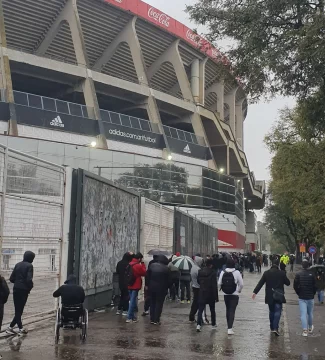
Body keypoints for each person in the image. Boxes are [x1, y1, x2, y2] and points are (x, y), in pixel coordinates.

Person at [252, 259, 290, 336]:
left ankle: (272, 327)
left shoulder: (266, 273)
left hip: (269, 295)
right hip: (279, 295)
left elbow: (260, 283)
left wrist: (255, 292)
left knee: (271, 311)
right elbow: (288, 283)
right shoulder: (281, 273)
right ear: (278, 265)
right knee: (278, 311)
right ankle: (275, 328)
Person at [6, 251, 35, 335]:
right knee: (19, 310)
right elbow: (29, 280)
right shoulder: (29, 266)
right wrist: (30, 286)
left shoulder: (18, 264)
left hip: (16, 289)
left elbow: (11, 278)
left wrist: (18, 282)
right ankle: (21, 329)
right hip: (23, 290)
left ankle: (10, 327)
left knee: (18, 310)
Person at [218, 258, 244, 335]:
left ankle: (228, 326)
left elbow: (219, 283)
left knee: (227, 309)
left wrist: (221, 289)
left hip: (226, 294)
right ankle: (230, 328)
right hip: (234, 294)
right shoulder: (237, 272)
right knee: (232, 310)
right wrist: (239, 290)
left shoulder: (223, 272)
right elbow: (241, 284)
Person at [294, 259, 317, 336]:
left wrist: (299, 293)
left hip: (302, 297)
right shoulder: (312, 274)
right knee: (310, 313)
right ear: (308, 265)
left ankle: (304, 331)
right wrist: (313, 293)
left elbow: (295, 286)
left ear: (302, 265)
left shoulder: (298, 274)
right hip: (310, 297)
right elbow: (315, 286)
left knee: (303, 314)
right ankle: (310, 328)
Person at [196, 259, 218, 332]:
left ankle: (198, 325)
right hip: (210, 293)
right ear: (211, 265)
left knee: (200, 309)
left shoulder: (200, 271)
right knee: (212, 309)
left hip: (202, 292)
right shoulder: (213, 273)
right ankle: (213, 324)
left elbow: (198, 281)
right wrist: (216, 297)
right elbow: (214, 286)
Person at [147, 255, 170, 324]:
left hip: (151, 287)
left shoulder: (152, 266)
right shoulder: (166, 269)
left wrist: (147, 285)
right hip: (161, 289)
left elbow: (147, 276)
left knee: (152, 303)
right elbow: (169, 281)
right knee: (159, 304)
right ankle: (156, 319)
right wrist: (167, 288)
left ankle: (152, 318)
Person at [126, 252, 146, 323]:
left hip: (129, 284)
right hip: (135, 285)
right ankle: (129, 317)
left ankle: (133, 317)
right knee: (132, 301)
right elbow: (144, 273)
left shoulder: (130, 263)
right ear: (139, 258)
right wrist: (143, 264)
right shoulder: (138, 265)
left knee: (133, 301)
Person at [189, 256, 203, 322]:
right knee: (197, 303)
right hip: (198, 287)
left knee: (195, 302)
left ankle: (192, 316)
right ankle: (193, 316)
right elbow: (200, 279)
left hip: (194, 286)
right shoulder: (198, 269)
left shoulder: (193, 267)